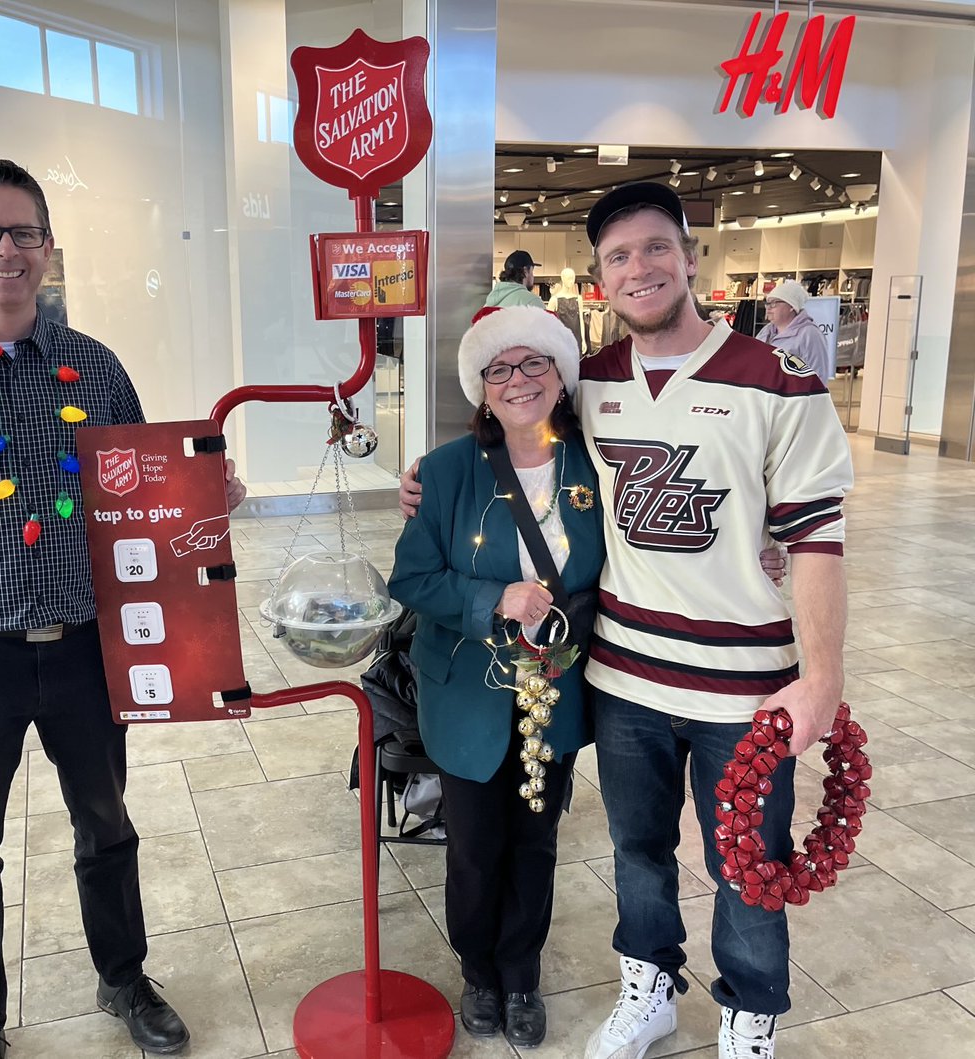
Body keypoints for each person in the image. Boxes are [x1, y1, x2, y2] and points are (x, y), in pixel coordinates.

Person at [399, 183, 851, 1059]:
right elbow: (501, 450)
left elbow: (818, 540)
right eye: (617, 256)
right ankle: (645, 995)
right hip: (625, 679)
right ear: (601, 279)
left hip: (744, 686)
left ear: (689, 256)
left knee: (744, 865)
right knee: (637, 851)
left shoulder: (779, 382)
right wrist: (427, 481)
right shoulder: (596, 385)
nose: (637, 268)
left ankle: (747, 1023)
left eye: (653, 248)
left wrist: (823, 675)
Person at [0, 158, 246, 1059]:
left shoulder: (93, 368)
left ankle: (123, 979)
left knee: (106, 824)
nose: (7, 251)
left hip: (83, 652)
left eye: (23, 232)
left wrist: (203, 499)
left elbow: (139, 501)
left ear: (47, 245)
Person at [389, 304, 604, 1048]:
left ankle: (522, 973)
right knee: (476, 845)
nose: (519, 380)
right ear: (482, 388)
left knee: (537, 841)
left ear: (561, 375)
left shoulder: (595, 465)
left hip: (558, 691)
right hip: (468, 696)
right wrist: (493, 600)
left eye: (534, 362)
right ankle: (478, 971)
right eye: (500, 368)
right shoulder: (447, 472)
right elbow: (410, 578)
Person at [757, 279, 831, 382]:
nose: (768, 308)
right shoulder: (766, 331)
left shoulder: (810, 335)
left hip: (792, 397)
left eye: (773, 303)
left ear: (791, 306)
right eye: (767, 303)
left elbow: (818, 376)